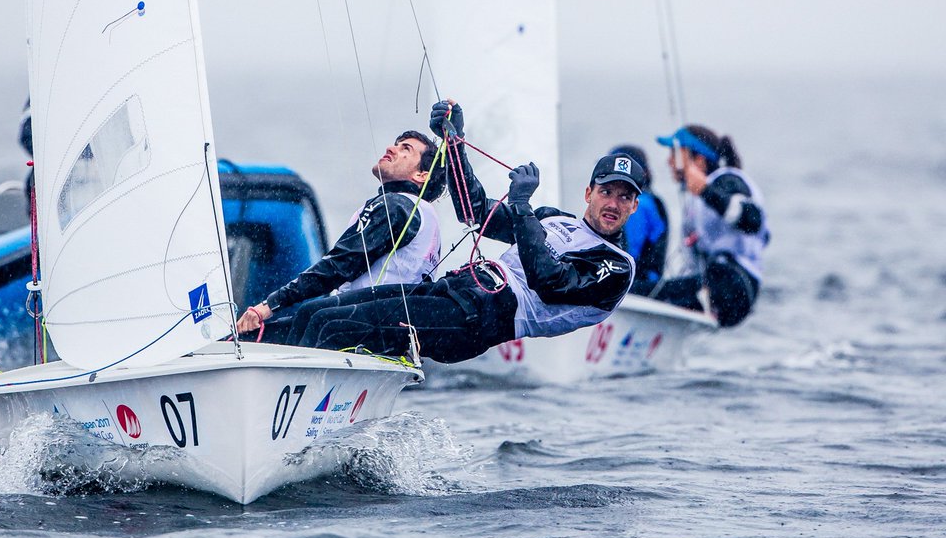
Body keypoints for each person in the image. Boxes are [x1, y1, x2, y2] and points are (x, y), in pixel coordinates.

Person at [289, 101, 641, 363]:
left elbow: (548, 280)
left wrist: (521, 205)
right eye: (607, 192)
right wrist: (454, 142)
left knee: (333, 325)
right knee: (314, 312)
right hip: (454, 290)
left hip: (477, 320)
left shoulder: (616, 266)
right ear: (588, 193)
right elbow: (474, 211)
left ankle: (301, 412)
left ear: (634, 206)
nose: (613, 203)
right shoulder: (551, 219)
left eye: (624, 197)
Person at [234, 131, 447, 340]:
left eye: (405, 149)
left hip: (363, 328)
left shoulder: (396, 205)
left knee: (250, 338)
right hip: (394, 330)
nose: (391, 148)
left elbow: (341, 264)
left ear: (421, 175)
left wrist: (269, 305)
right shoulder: (425, 215)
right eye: (396, 144)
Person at [653, 124, 768, 327]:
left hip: (736, 286)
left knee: (652, 291)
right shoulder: (694, 200)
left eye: (674, 154)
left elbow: (752, 221)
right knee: (654, 289)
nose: (669, 161)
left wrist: (706, 190)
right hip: (717, 285)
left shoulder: (727, 180)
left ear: (699, 159)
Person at [608, 144, 669, 295]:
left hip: (638, 288)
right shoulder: (650, 199)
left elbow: (629, 253)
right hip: (648, 283)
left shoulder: (639, 205)